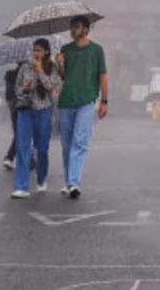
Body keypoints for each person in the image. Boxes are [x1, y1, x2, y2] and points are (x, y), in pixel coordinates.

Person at [56, 15, 109, 200]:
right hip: (66, 100)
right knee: (66, 144)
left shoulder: (96, 50)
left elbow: (102, 76)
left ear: (86, 29)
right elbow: (63, 77)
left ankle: (74, 183)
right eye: (72, 28)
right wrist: (60, 65)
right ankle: (69, 181)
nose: (73, 31)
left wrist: (104, 101)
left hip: (87, 100)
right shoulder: (65, 50)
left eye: (76, 27)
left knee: (80, 141)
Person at [11, 38, 62, 199]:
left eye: (39, 50)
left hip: (44, 109)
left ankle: (41, 177)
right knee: (23, 146)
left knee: (42, 148)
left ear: (47, 51)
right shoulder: (25, 67)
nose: (36, 53)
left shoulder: (52, 68)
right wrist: (24, 89)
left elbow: (51, 87)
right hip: (26, 109)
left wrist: (40, 70)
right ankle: (21, 186)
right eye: (34, 50)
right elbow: (17, 89)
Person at [2, 65, 21, 170]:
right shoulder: (25, 74)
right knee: (22, 134)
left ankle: (10, 157)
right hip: (23, 106)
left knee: (18, 133)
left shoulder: (9, 76)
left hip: (13, 107)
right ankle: (10, 157)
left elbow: (8, 96)